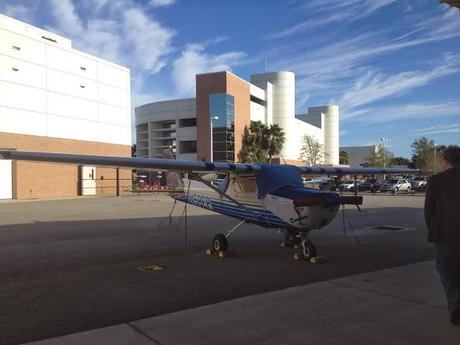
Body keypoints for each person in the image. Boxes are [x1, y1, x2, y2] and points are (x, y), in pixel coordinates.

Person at [424, 145, 460, 325]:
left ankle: (456, 306)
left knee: (447, 271)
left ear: (446, 161)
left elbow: (428, 211)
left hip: (444, 235)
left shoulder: (435, 181)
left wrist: (433, 227)